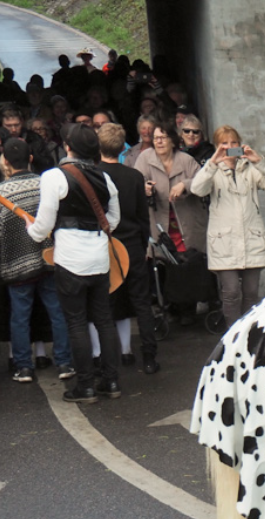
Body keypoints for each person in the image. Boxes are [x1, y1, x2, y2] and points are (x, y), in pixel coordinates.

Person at [26, 123, 122, 403]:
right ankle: (111, 382)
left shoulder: (53, 176)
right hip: (99, 257)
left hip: (69, 258)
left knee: (77, 322)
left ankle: (86, 387)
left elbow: (43, 226)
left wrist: (30, 228)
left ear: (68, 146)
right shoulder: (106, 178)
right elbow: (112, 221)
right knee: (104, 320)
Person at [190, 125, 265, 329]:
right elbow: (197, 189)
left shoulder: (249, 168)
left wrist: (259, 162)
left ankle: (249, 333)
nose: (229, 147)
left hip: (251, 238)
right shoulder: (211, 169)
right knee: (230, 292)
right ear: (216, 146)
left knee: (250, 293)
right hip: (224, 241)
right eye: (224, 143)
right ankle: (232, 335)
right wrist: (214, 162)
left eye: (233, 143)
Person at [1, 138, 73, 383]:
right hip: (50, 258)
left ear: (6, 162)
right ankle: (64, 362)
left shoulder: (2, 193)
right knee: (57, 310)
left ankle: (24, 367)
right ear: (31, 159)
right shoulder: (45, 184)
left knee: (20, 316)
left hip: (17, 264)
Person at [97, 123, 158, 373]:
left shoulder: (95, 175)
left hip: (106, 246)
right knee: (142, 303)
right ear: (123, 147)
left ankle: (109, 358)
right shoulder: (134, 176)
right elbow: (143, 218)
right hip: (133, 243)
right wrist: (143, 244)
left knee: (106, 304)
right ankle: (150, 357)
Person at [134, 120, 206, 254]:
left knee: (190, 265)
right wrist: (145, 188)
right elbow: (137, 181)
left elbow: (203, 182)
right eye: (156, 138)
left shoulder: (186, 160)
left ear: (172, 141)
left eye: (163, 138)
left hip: (187, 226)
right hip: (159, 226)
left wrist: (185, 185)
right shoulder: (145, 158)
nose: (159, 142)